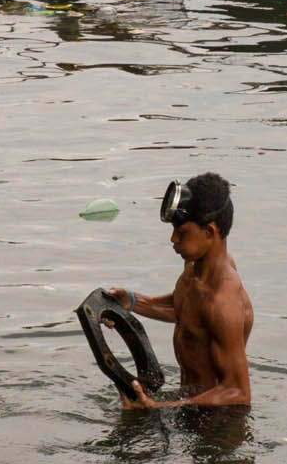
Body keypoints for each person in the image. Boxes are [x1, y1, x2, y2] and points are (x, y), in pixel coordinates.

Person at [108, 172, 253, 408]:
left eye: (182, 232)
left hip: (218, 423)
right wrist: (132, 302)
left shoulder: (222, 301)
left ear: (210, 232)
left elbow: (238, 392)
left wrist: (160, 408)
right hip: (190, 402)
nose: (173, 239)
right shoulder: (195, 266)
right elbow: (183, 308)